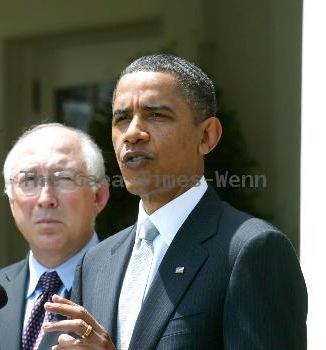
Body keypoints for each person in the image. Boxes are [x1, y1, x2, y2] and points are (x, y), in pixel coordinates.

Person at [43, 54, 307, 349]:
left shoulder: (250, 250)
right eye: (122, 118)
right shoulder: (96, 263)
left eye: (156, 115)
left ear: (207, 135)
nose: (133, 133)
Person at [0, 123, 109, 350]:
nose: (45, 198)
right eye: (28, 181)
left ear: (98, 195)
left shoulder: (134, 284)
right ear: (12, 203)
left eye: (63, 178)